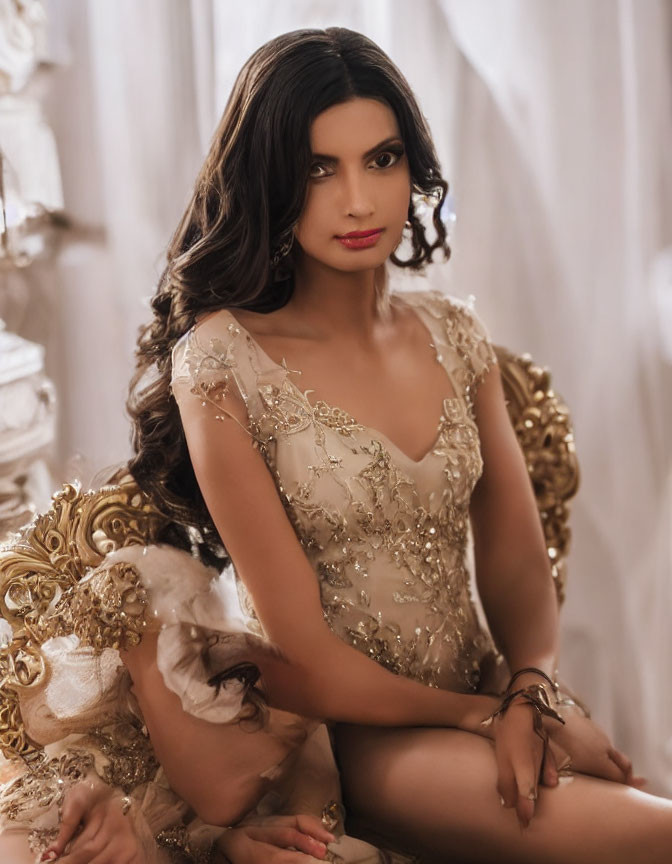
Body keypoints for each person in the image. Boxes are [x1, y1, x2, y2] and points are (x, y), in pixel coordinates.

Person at [2, 24, 670, 864]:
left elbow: (516, 567)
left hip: (486, 693)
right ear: (271, 184)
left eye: (381, 160)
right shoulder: (220, 362)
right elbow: (305, 655)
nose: (358, 200)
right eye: (320, 170)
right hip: (361, 743)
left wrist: (531, 686)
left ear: (414, 167)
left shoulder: (454, 334)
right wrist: (484, 716)